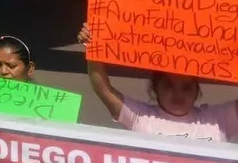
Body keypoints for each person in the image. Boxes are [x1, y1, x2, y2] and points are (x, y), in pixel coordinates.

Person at [78, 23, 238, 141]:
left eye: (187, 87)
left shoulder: (217, 119)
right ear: (155, 88)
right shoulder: (140, 116)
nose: (178, 93)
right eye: (169, 86)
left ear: (197, 91)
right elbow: (104, 90)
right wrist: (92, 46)